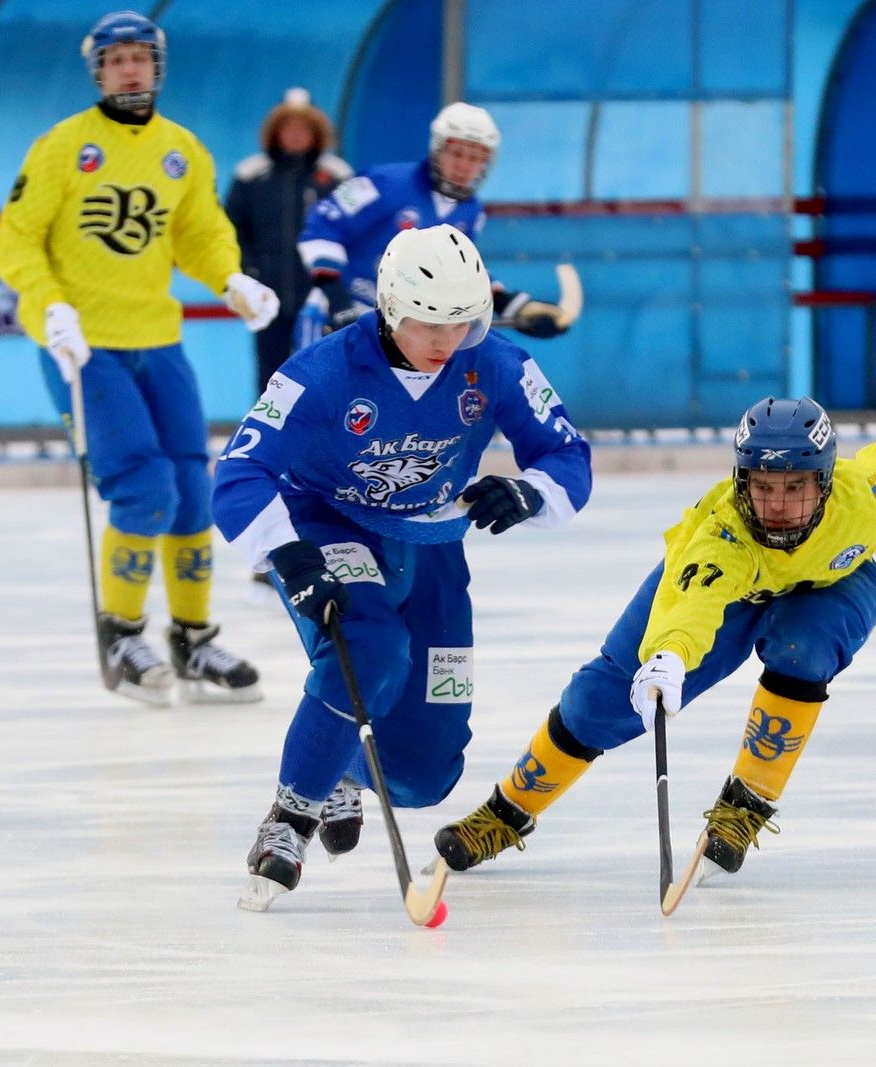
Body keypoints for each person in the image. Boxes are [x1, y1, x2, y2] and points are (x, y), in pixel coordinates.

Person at [432, 397, 876, 884]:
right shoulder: (721, 536)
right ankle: (507, 812)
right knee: (599, 702)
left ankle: (747, 804)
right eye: (763, 487)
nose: (777, 506)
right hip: (728, 591)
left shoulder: (865, 495)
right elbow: (694, 604)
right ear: (741, 481)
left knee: (803, 646)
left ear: (826, 483)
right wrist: (668, 656)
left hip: (830, 583)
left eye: (795, 488)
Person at [211, 224, 592, 911]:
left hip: (434, 541)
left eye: (464, 323)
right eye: (428, 324)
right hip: (332, 523)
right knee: (370, 646)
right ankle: (290, 814)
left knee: (422, 773)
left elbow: (567, 454)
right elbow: (239, 470)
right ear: (389, 307)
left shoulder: (497, 363)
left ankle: (341, 769)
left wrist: (529, 491)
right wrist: (287, 551)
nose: (447, 344)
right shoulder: (322, 372)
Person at [0, 11, 280, 707]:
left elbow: (199, 232)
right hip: (84, 343)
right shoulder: (64, 146)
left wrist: (231, 278)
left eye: (140, 58)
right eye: (116, 59)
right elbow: (17, 239)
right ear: (98, 71)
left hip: (157, 338)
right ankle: (121, 632)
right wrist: (49, 303)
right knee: (143, 485)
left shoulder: (182, 149)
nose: (129, 69)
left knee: (189, 486)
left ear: (158, 68)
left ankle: (193, 636)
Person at [296, 101, 570, 344]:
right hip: (338, 315)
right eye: (457, 153)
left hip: (402, 329)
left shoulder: (471, 212)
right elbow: (321, 228)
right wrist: (336, 297)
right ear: (437, 149)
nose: (464, 166)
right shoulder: (383, 183)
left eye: (475, 158)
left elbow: (461, 271)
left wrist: (513, 306)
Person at [224, 88, 353, 398]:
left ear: (317, 133)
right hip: (269, 299)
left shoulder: (337, 177)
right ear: (275, 132)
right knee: (272, 381)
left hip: (322, 303)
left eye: (304, 127)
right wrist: (249, 273)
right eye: (288, 127)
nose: (296, 135)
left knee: (325, 379)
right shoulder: (251, 176)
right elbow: (230, 231)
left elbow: (354, 233)